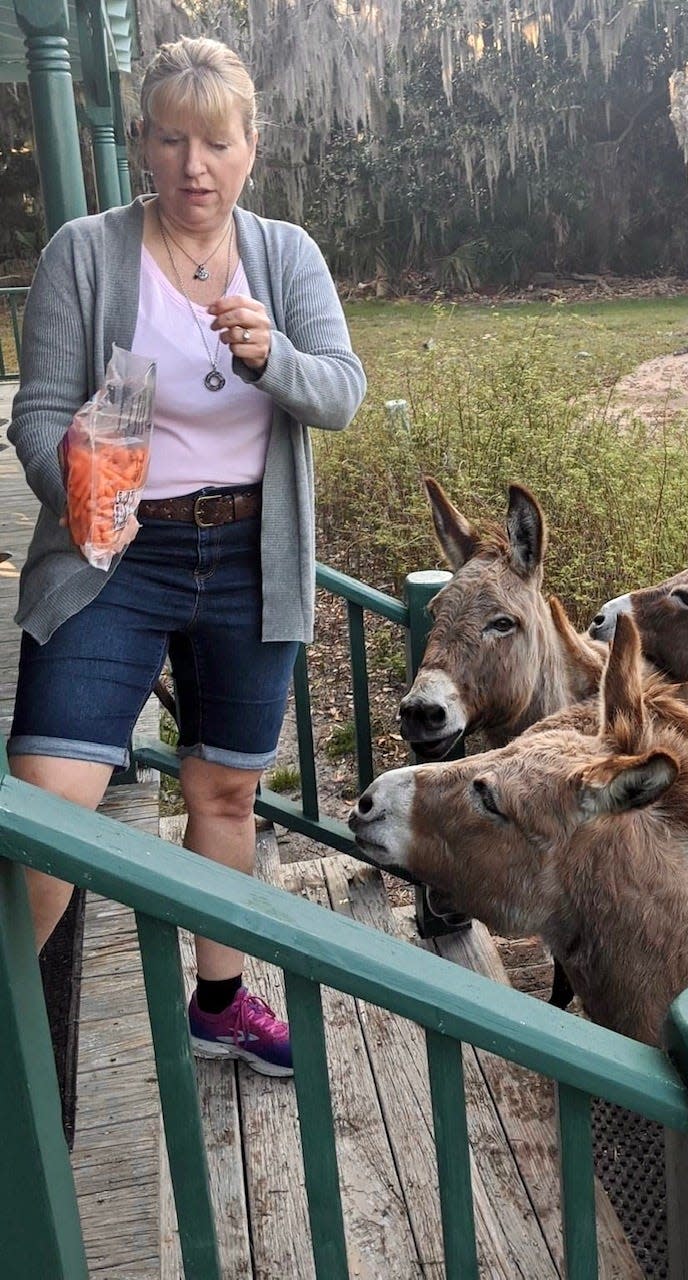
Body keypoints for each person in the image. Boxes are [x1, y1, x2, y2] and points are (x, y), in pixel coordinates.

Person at [6, 36, 366, 1077]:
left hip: (250, 555)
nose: (194, 165)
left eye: (217, 141)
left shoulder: (286, 255)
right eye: (173, 140)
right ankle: (11, 1028)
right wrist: (76, 486)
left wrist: (274, 356)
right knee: (45, 800)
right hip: (115, 556)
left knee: (226, 795)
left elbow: (340, 390)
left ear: (251, 145)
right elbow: (35, 416)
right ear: (143, 147)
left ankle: (220, 1002)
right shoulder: (86, 250)